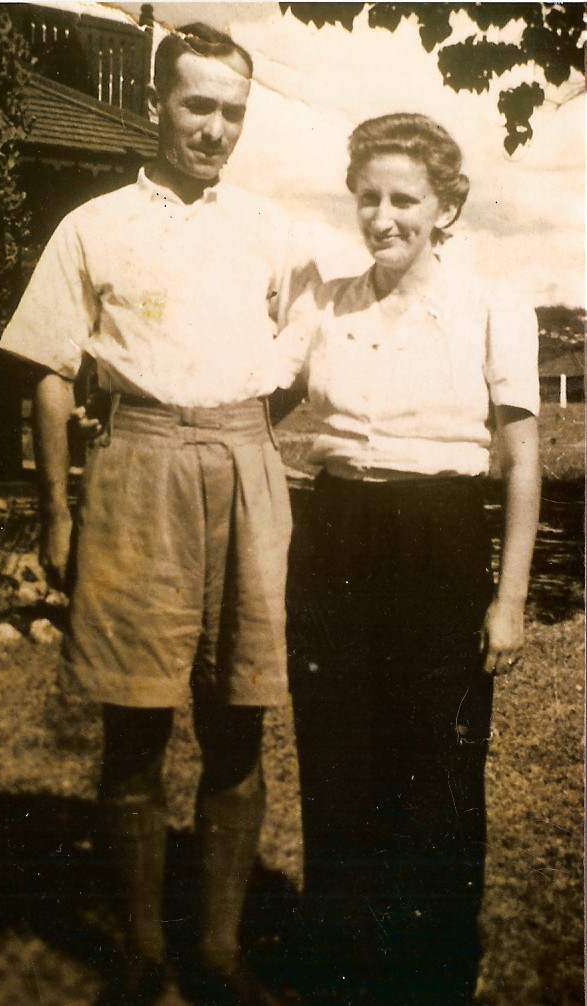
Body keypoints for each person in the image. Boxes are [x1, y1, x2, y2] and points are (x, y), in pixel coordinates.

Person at [0, 23, 312, 1006]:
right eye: (197, 105)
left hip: (244, 467)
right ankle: (139, 952)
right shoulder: (93, 225)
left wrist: (240, 437)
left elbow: (296, 365)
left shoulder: (274, 231)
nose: (215, 127)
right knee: (133, 729)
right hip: (136, 468)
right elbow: (51, 376)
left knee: (239, 721)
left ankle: (216, 953)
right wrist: (58, 512)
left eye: (232, 110)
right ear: (155, 105)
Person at [282, 113, 540, 1006]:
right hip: (337, 535)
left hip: (438, 539)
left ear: (444, 206)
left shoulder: (489, 305)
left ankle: (432, 975)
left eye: (404, 199)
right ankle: (339, 964)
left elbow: (520, 458)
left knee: (435, 763)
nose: (382, 217)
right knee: (338, 756)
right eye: (368, 198)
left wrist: (506, 599)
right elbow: (259, 398)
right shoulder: (326, 302)